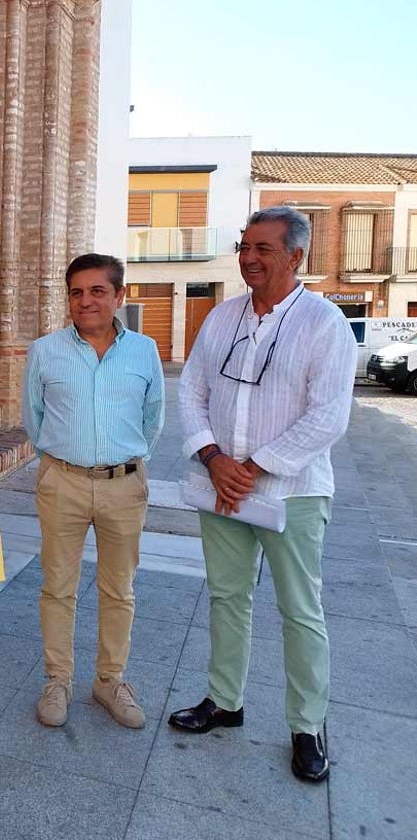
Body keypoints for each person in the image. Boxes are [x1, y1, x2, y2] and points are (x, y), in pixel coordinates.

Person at [170, 206, 356, 783]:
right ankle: (225, 701)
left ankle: (307, 726)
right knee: (227, 598)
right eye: (244, 246)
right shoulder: (222, 318)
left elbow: (329, 416)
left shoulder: (323, 323)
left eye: (263, 249)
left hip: (293, 493)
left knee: (300, 612)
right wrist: (214, 458)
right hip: (221, 489)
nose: (248, 258)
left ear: (295, 257)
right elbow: (191, 392)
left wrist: (251, 466)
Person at [22, 253, 164, 730]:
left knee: (118, 589)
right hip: (61, 481)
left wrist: (125, 459)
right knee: (57, 587)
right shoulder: (45, 351)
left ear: (119, 296)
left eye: (98, 291)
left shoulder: (143, 351)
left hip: (123, 485)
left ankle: (109, 680)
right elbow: (33, 417)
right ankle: (57, 680)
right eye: (77, 292)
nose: (86, 301)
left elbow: (153, 418)